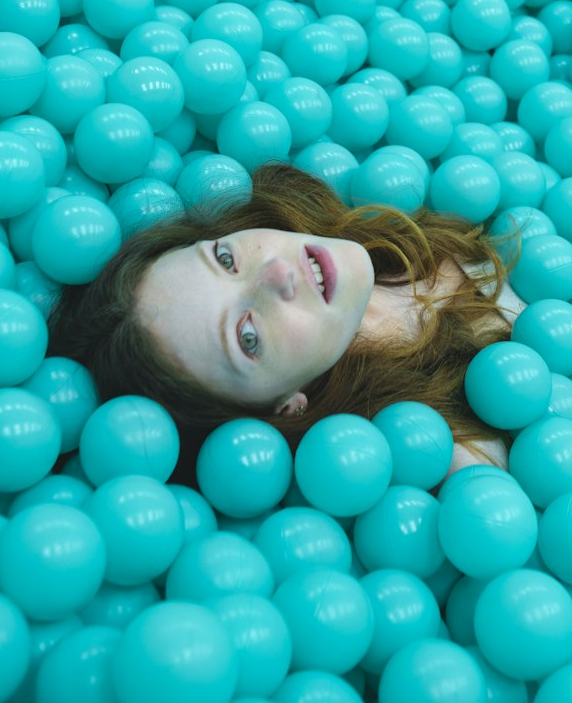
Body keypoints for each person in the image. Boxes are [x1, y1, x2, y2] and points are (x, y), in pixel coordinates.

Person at [48, 161, 525, 486]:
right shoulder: (444, 451)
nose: (276, 272)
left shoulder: (360, 203)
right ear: (286, 409)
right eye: (247, 337)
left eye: (226, 257)